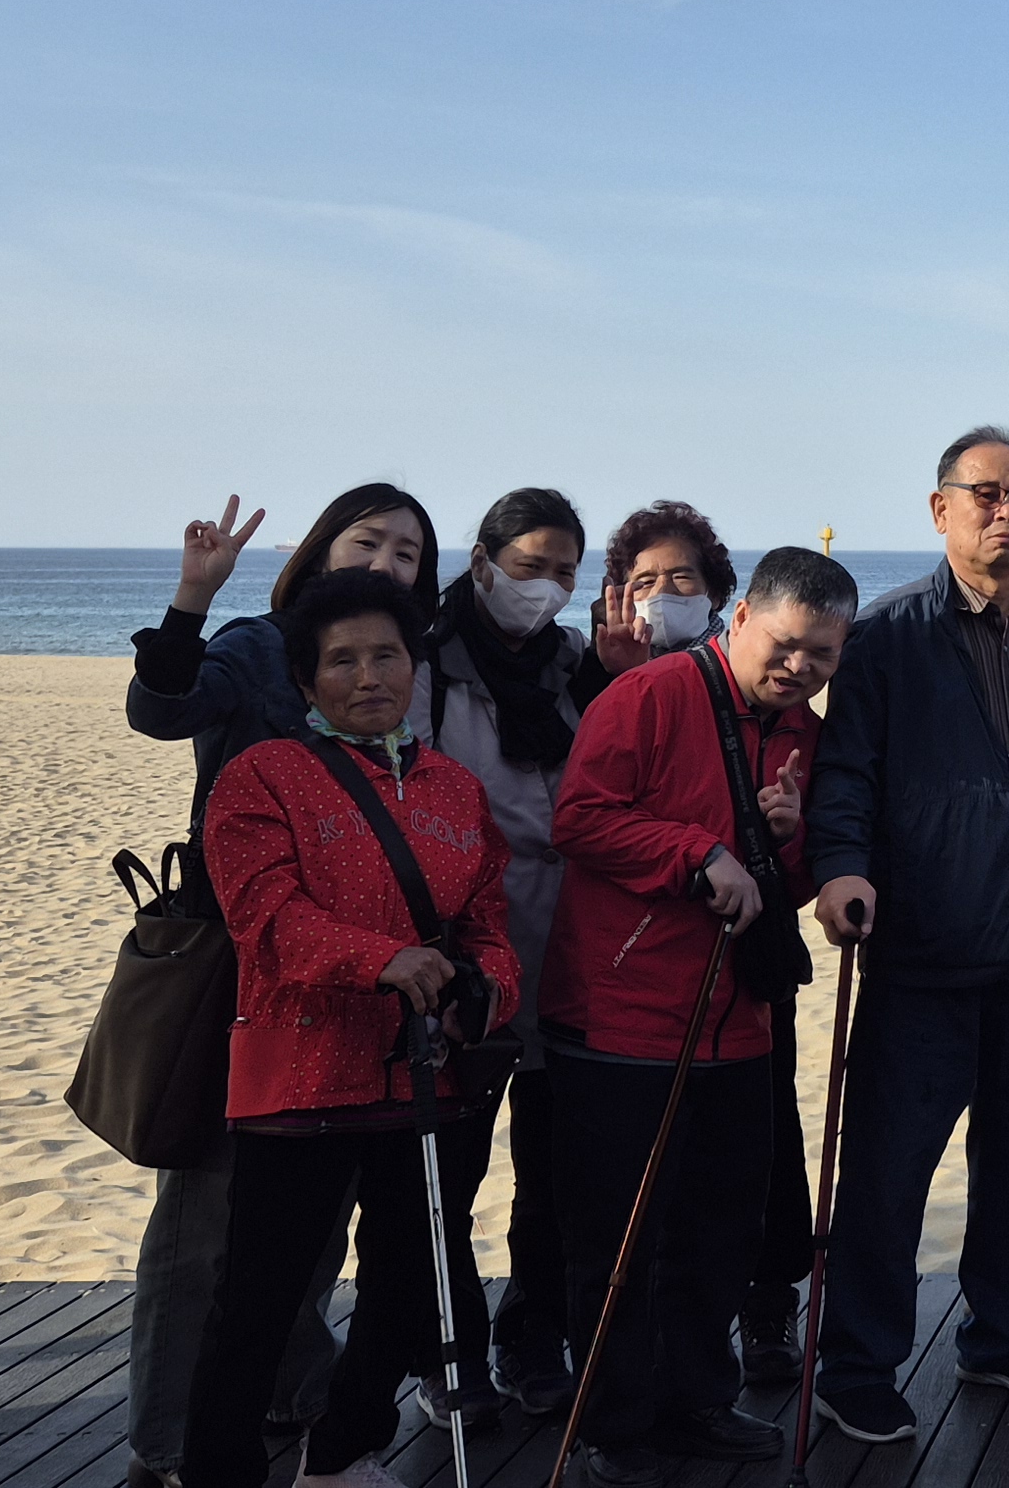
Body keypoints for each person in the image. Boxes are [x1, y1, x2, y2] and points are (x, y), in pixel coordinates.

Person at [804, 427, 1009, 1446]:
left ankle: (1004, 1335)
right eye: (986, 494)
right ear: (940, 508)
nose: (1008, 512)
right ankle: (856, 1363)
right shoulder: (886, 636)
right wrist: (839, 866)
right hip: (924, 944)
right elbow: (845, 772)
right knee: (890, 1167)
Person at [118, 483, 438, 1488]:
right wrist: (191, 601)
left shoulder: (405, 665)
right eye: (367, 540)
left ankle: (294, 1391)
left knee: (310, 1209)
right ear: (321, 549)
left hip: (363, 974)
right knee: (206, 1220)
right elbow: (161, 708)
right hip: (243, 960)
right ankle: (168, 1443)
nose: (385, 563)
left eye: (407, 553)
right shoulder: (261, 646)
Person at [179, 569, 518, 1488]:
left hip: (425, 1076)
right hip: (300, 1075)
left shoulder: (454, 789)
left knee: (404, 1286)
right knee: (260, 1299)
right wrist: (382, 959)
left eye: (386, 655)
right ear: (305, 678)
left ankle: (340, 1455)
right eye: (341, 660)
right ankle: (218, 1472)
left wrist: (485, 990)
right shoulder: (262, 776)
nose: (368, 676)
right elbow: (265, 916)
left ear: (413, 667)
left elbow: (487, 919)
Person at [541, 545, 850, 1484]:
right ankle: (616, 1423)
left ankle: (698, 1401)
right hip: (621, 1012)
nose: (799, 668)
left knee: (721, 1228)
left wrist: (786, 843)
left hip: (737, 1018)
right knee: (621, 1237)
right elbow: (579, 818)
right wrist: (695, 852)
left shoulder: (802, 733)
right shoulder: (648, 694)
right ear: (742, 616)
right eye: (787, 644)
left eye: (822, 656)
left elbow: (780, 887)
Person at [420, 488, 611, 1420]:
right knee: (446, 1174)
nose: (547, 588)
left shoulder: (578, 665)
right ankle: (443, 1353)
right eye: (530, 567)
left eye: (565, 572)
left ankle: (532, 1337)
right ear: (483, 561)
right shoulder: (426, 662)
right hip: (464, 950)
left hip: (569, 947)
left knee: (554, 1173)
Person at [600, 501, 730, 671]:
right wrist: (620, 672)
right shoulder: (602, 664)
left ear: (713, 593)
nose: (662, 591)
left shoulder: (739, 665)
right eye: (646, 582)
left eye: (681, 577)